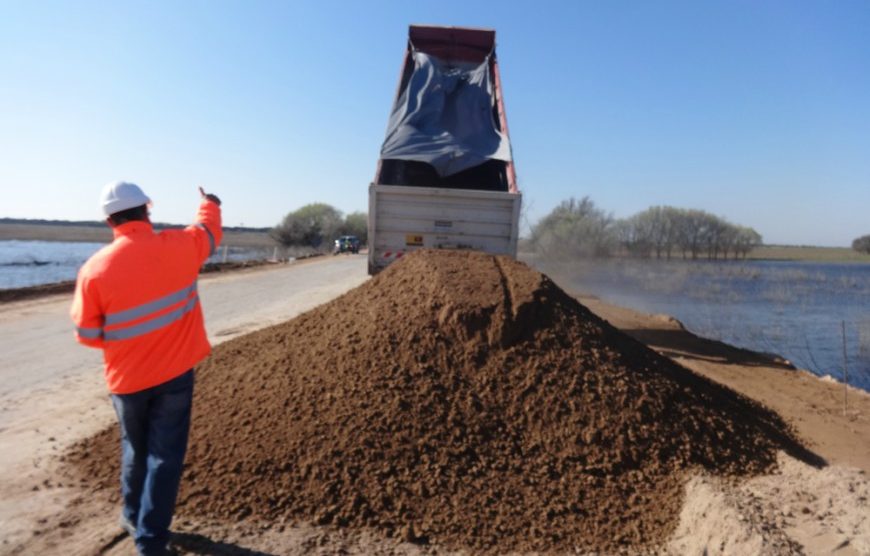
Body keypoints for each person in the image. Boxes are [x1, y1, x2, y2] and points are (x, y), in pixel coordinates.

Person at [70, 181, 222, 556]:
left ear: (110, 221)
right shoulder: (180, 246)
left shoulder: (94, 270)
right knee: (164, 457)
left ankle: (132, 514)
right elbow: (207, 232)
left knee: (135, 451)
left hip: (126, 381)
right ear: (146, 212)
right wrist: (210, 202)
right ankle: (150, 542)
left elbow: (87, 334)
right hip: (174, 377)